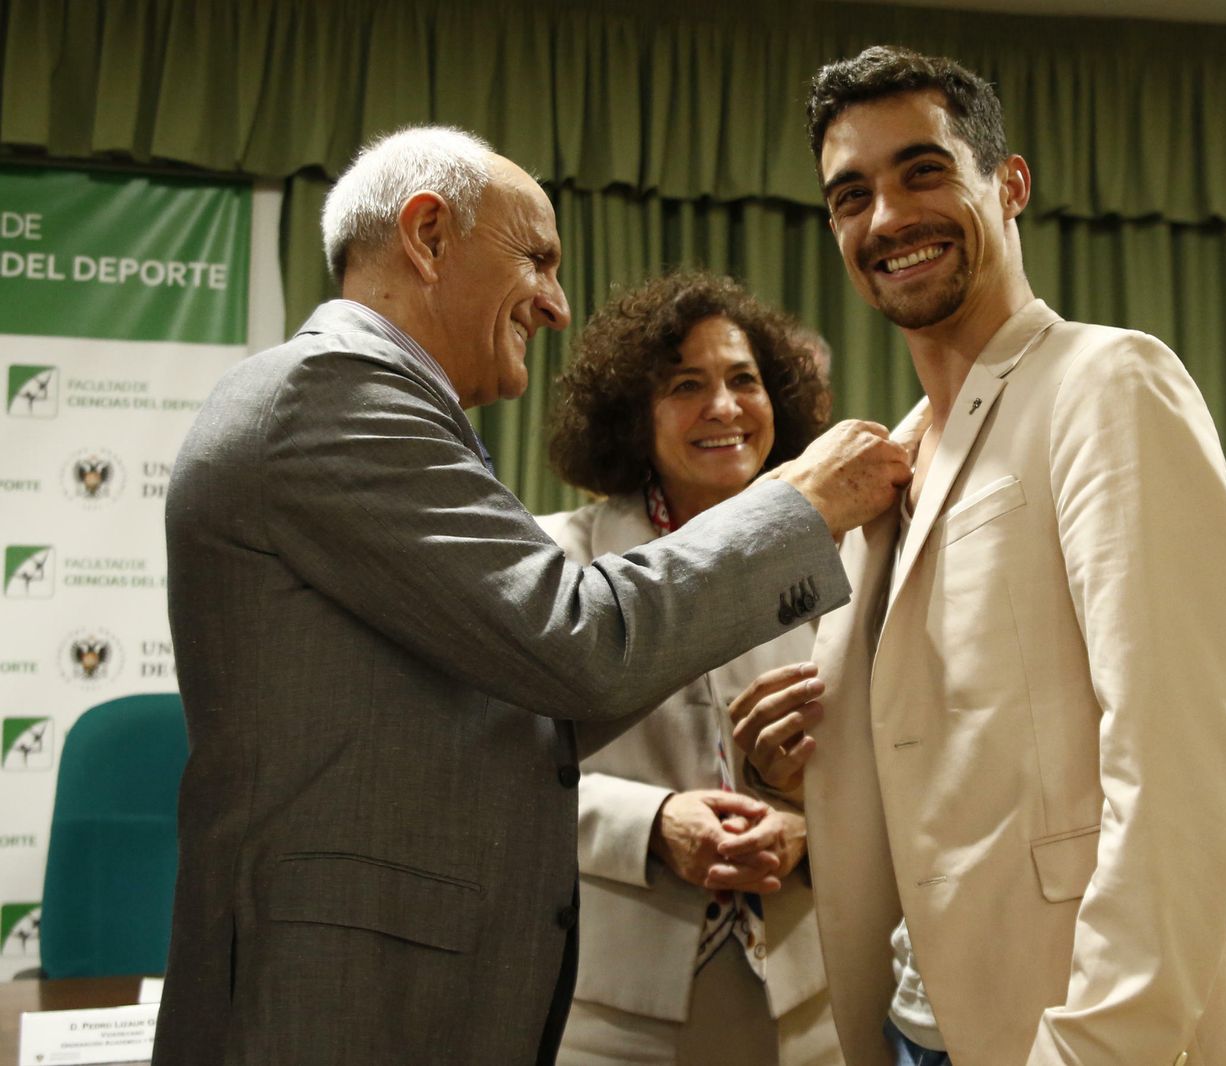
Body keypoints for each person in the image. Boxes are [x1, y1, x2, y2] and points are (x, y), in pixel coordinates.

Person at [153, 126, 909, 1066]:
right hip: (341, 1001)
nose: (556, 305)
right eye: (537, 260)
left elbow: (505, 716)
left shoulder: (373, 406)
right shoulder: (336, 391)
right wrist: (800, 506)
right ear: (428, 236)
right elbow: (579, 646)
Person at [730, 46, 1226, 1066]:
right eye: (852, 196)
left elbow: (1177, 759)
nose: (887, 217)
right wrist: (799, 777)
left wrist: (1099, 1041)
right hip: (911, 1020)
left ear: (1009, 183)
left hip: (1074, 1025)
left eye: (922, 172)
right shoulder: (887, 465)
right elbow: (948, 761)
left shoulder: (1108, 382)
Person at [538, 272, 843, 1066]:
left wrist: (809, 829)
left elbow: (898, 763)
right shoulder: (555, 562)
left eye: (744, 380)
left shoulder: (840, 564)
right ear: (630, 414)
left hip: (813, 1003)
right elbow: (503, 771)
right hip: (612, 1014)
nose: (724, 407)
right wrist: (650, 824)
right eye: (685, 386)